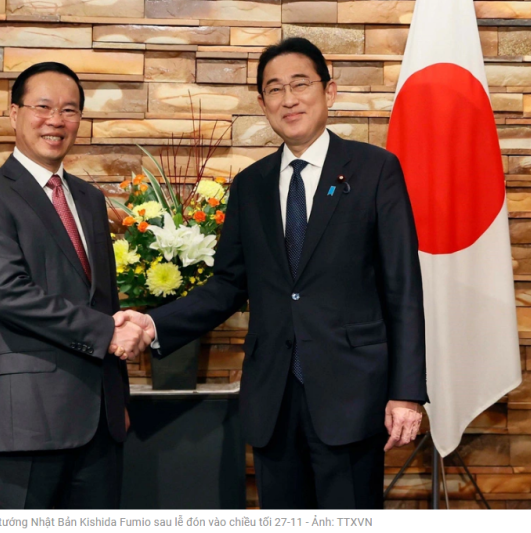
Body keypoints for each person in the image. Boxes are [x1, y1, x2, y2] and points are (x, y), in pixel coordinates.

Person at [118, 38, 427, 509]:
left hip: (351, 395)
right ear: (263, 104)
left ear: (330, 91)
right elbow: (227, 285)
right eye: (275, 89)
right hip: (273, 399)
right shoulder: (250, 185)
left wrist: (406, 394)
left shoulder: (374, 170)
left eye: (300, 84)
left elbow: (403, 288)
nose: (288, 99)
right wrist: (155, 323)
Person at [0, 61, 153, 509]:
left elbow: (104, 300)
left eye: (69, 110)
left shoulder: (88, 198)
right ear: (14, 113)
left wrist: (117, 394)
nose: (56, 120)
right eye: (42, 107)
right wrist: (109, 334)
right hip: (27, 421)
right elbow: (9, 294)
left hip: (101, 423)